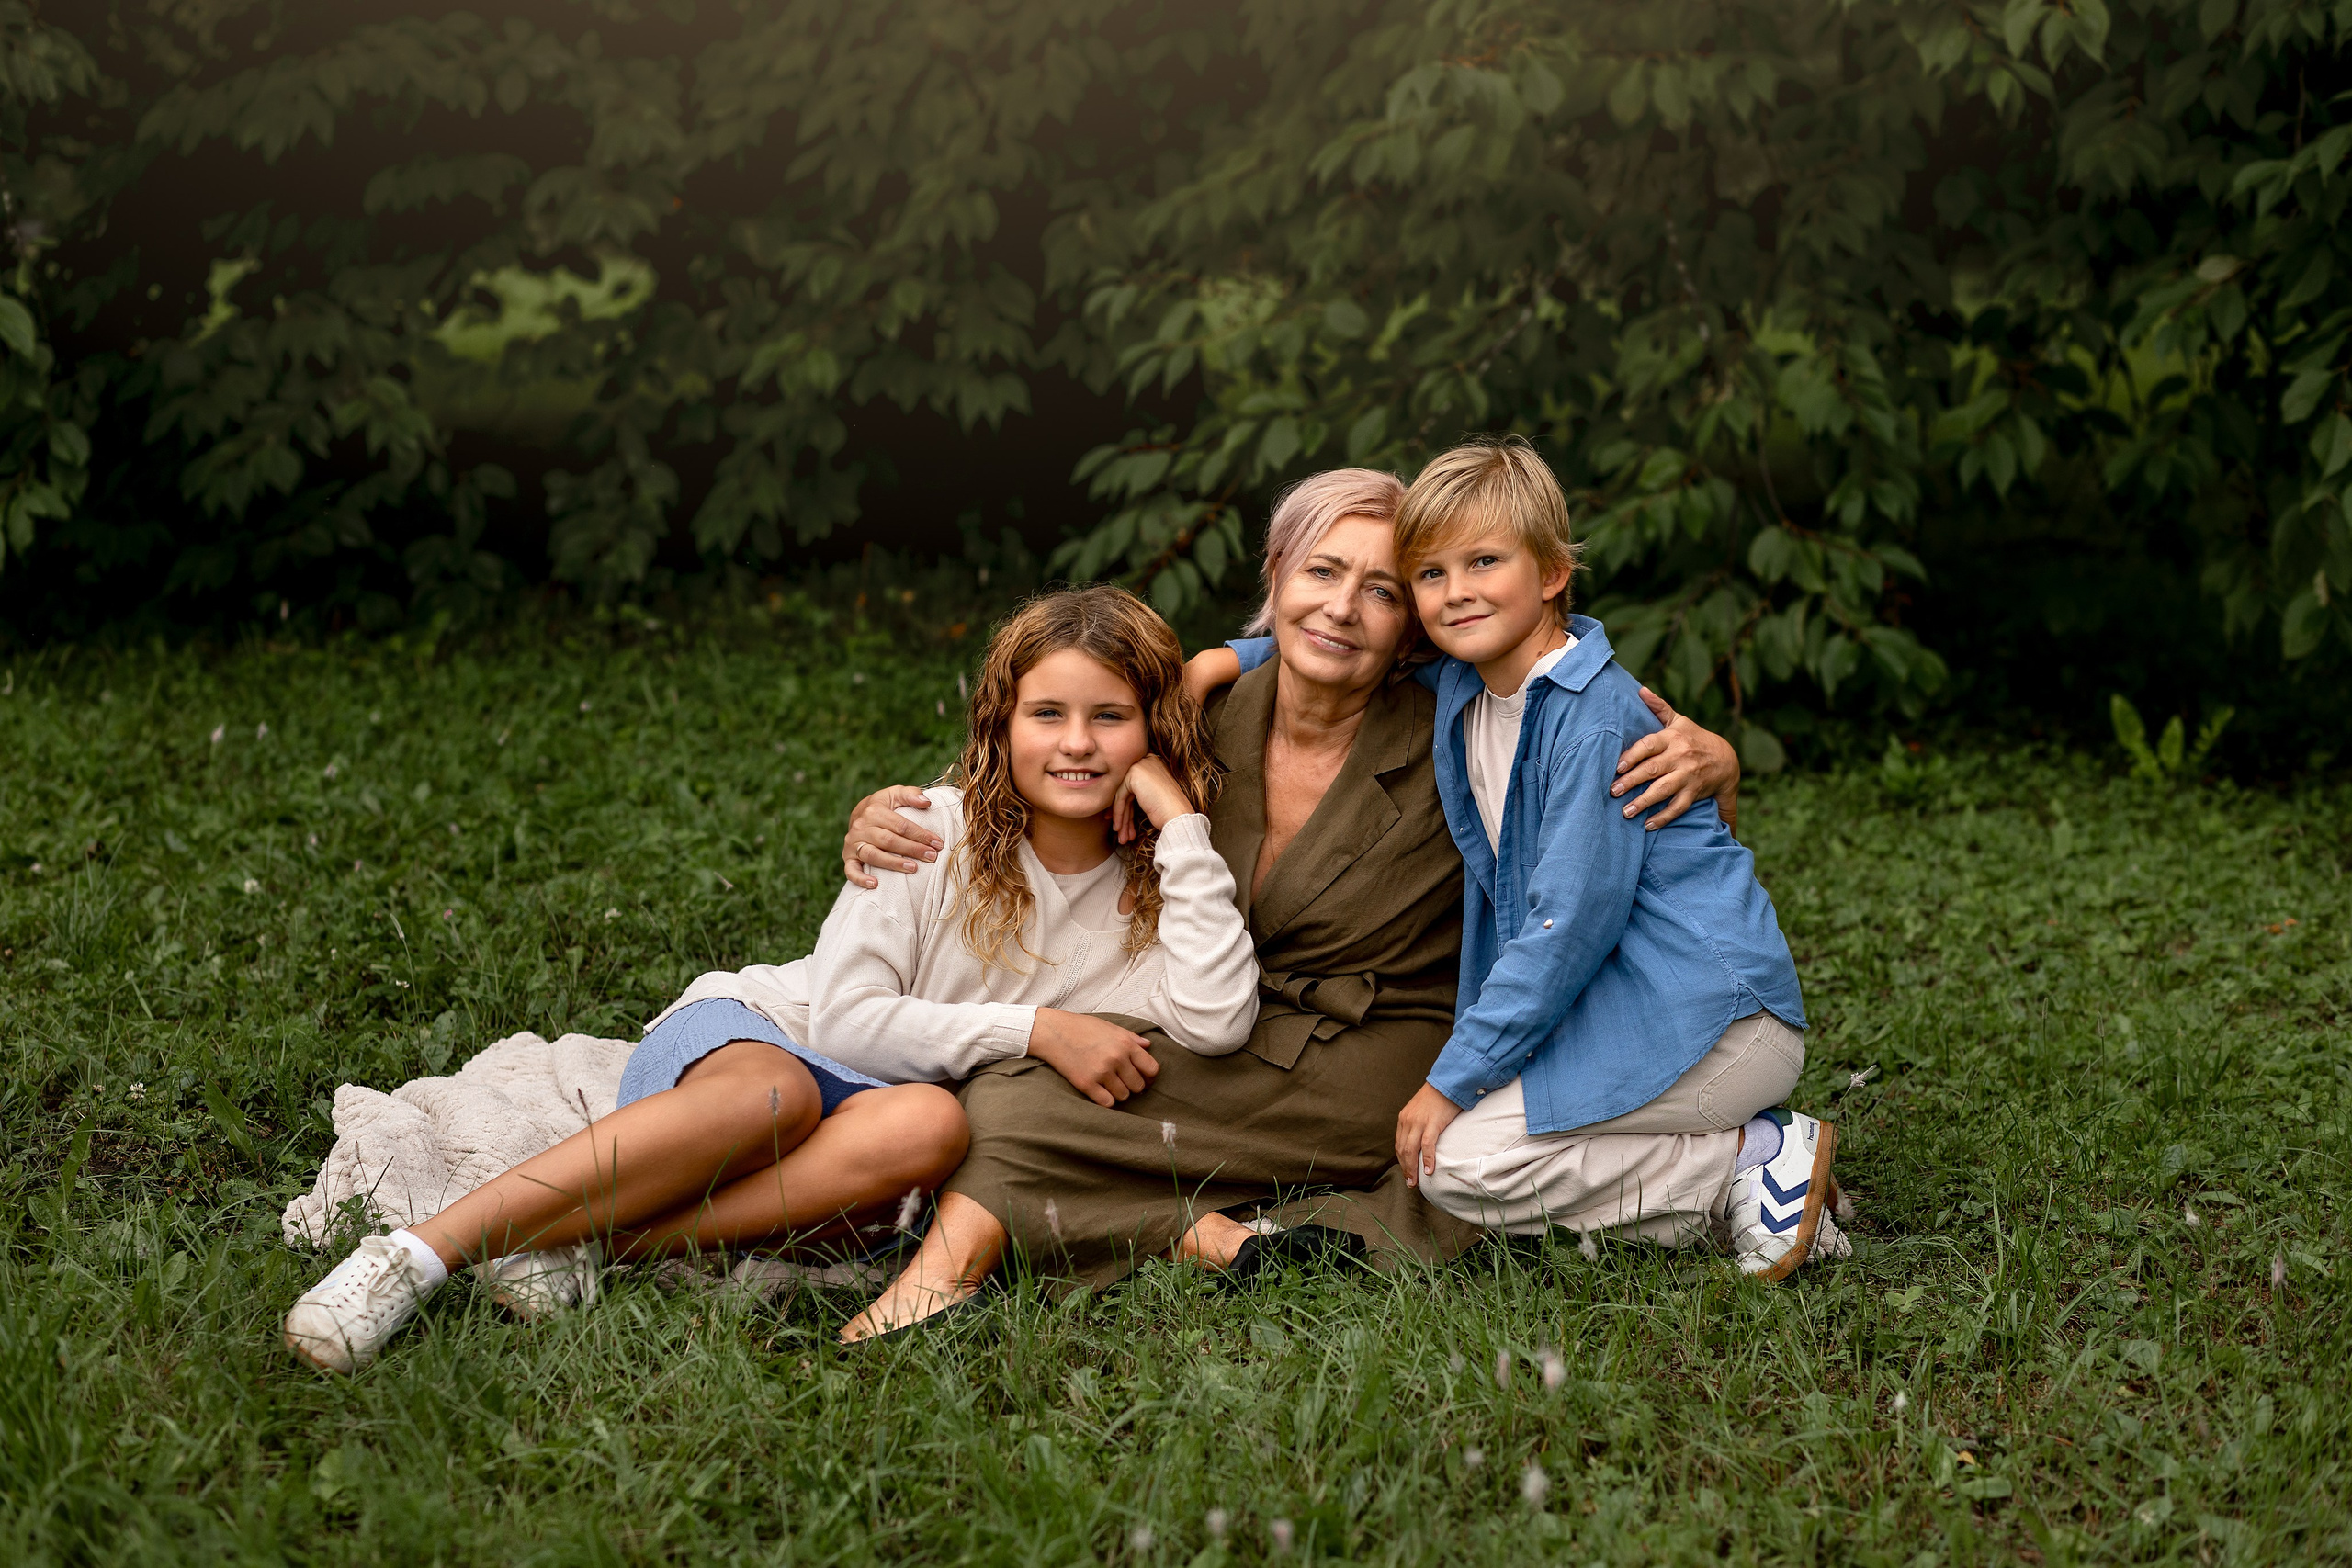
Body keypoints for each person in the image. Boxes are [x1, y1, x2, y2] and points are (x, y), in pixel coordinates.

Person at [835, 468, 1744, 1339]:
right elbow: (1042, 758)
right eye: (1320, 571)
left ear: (1414, 626)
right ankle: (1209, 1233)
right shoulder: (1202, 707)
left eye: (1382, 590)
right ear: (1277, 575)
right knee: (1012, 1092)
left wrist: (1717, 767)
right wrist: (898, 811)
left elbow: (1612, 798)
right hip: (1223, 1016)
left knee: (1008, 1113)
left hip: (1382, 1047)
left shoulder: (1461, 727)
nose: (1342, 608)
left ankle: (952, 1273)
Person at [283, 585, 1257, 1371]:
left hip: (887, 1117)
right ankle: (414, 1257)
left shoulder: (1165, 890)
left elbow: (1214, 1021)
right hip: (769, 1039)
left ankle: (586, 1240)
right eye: (1047, 713)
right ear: (1001, 725)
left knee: (932, 1122)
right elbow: (844, 1020)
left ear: (1153, 732)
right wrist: (1037, 1030)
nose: (1078, 743)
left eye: (1110, 718)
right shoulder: (932, 828)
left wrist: (1178, 826)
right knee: (778, 1091)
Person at [1221, 439, 1844, 1275]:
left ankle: (1747, 1157)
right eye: (1431, 576)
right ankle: (1782, 1196)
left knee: (1462, 1162)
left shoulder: (1591, 720)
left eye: (1484, 561)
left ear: (1552, 571)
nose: (1457, 591)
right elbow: (1337, 639)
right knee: (1465, 1155)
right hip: (1622, 1007)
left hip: (1714, 1012)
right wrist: (1221, 659)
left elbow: (1569, 924)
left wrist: (1453, 1078)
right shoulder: (1467, 683)